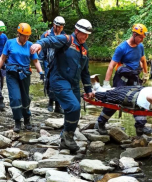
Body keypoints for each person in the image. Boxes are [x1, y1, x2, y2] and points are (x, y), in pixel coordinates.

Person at [30, 19, 94, 152]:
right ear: (76, 31)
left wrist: (88, 89)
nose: (86, 37)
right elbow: (50, 41)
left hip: (74, 83)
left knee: (76, 111)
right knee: (73, 106)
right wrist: (39, 44)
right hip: (59, 79)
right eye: (84, 34)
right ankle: (67, 138)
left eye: (88, 35)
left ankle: (66, 135)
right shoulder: (66, 40)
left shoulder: (84, 48)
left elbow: (85, 71)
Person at [96, 24, 151, 136]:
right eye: (140, 37)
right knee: (115, 100)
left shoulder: (140, 46)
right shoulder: (122, 48)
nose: (142, 40)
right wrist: (106, 84)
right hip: (122, 79)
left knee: (140, 100)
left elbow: (143, 60)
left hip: (134, 77)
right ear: (134, 35)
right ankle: (101, 122)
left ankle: (140, 127)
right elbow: (111, 66)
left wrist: (146, 73)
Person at [0, 23, 44, 133]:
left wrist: (41, 72)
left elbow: (35, 61)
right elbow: (2, 58)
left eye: (28, 36)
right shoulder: (9, 43)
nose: (26, 38)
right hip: (12, 74)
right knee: (15, 98)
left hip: (25, 74)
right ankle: (17, 121)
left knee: (25, 98)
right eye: (24, 36)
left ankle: (27, 119)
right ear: (19, 34)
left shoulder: (30, 45)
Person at [38, 16, 65, 114]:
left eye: (62, 27)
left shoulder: (63, 35)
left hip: (59, 62)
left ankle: (58, 105)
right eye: (59, 26)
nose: (60, 28)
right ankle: (50, 103)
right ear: (54, 25)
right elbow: (41, 50)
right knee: (49, 81)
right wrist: (40, 65)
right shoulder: (46, 35)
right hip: (48, 61)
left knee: (59, 82)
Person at [0, 21, 7, 111]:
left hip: (2, 62)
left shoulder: (4, 37)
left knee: (1, 80)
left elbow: (7, 48)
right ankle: (0, 99)